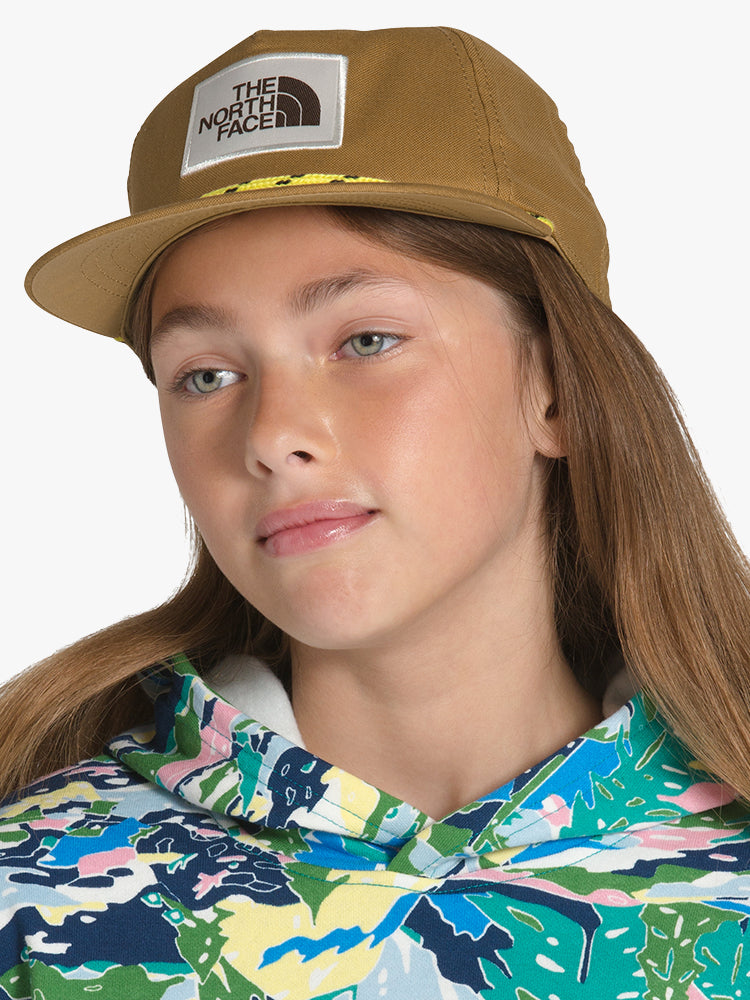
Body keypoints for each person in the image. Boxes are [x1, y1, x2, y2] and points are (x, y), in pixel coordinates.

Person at [1, 24, 748, 999]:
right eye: (206, 374)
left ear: (557, 389)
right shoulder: (29, 898)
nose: (272, 434)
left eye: (365, 341)